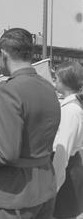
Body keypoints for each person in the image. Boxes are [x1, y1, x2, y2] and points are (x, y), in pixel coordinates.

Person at [0, 28, 61, 219]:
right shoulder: (48, 87)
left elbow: (3, 153)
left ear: (3, 54)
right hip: (45, 184)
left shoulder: (8, 91)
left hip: (16, 192)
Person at [52, 61, 83, 219]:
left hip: (67, 174)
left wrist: (54, 186)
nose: (54, 82)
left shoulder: (71, 110)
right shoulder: (71, 106)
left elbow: (63, 152)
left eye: (56, 78)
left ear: (65, 81)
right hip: (70, 170)